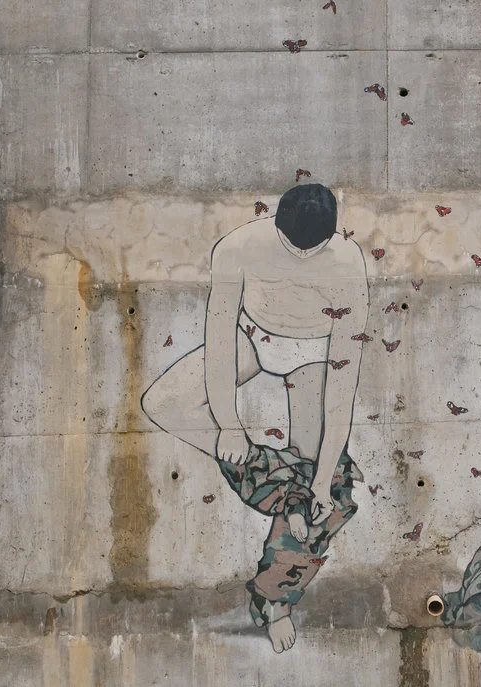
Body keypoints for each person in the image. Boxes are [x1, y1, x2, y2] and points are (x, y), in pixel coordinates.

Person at [141, 183, 368, 653]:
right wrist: (228, 424)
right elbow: (219, 334)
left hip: (314, 355)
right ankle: (284, 488)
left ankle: (275, 601)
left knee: (322, 488)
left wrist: (322, 479)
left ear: (332, 234)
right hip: (252, 336)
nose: (300, 257)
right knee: (161, 402)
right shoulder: (238, 247)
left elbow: (342, 387)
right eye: (291, 247)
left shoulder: (348, 264)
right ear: (276, 225)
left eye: (312, 250)